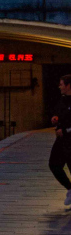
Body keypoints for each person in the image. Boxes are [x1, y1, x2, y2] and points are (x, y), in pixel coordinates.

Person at [50, 74, 71, 205]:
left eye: (61, 84)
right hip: (61, 140)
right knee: (54, 165)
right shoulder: (63, 100)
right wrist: (55, 119)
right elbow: (58, 114)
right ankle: (70, 188)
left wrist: (65, 130)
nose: (59, 86)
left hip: (70, 140)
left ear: (68, 86)